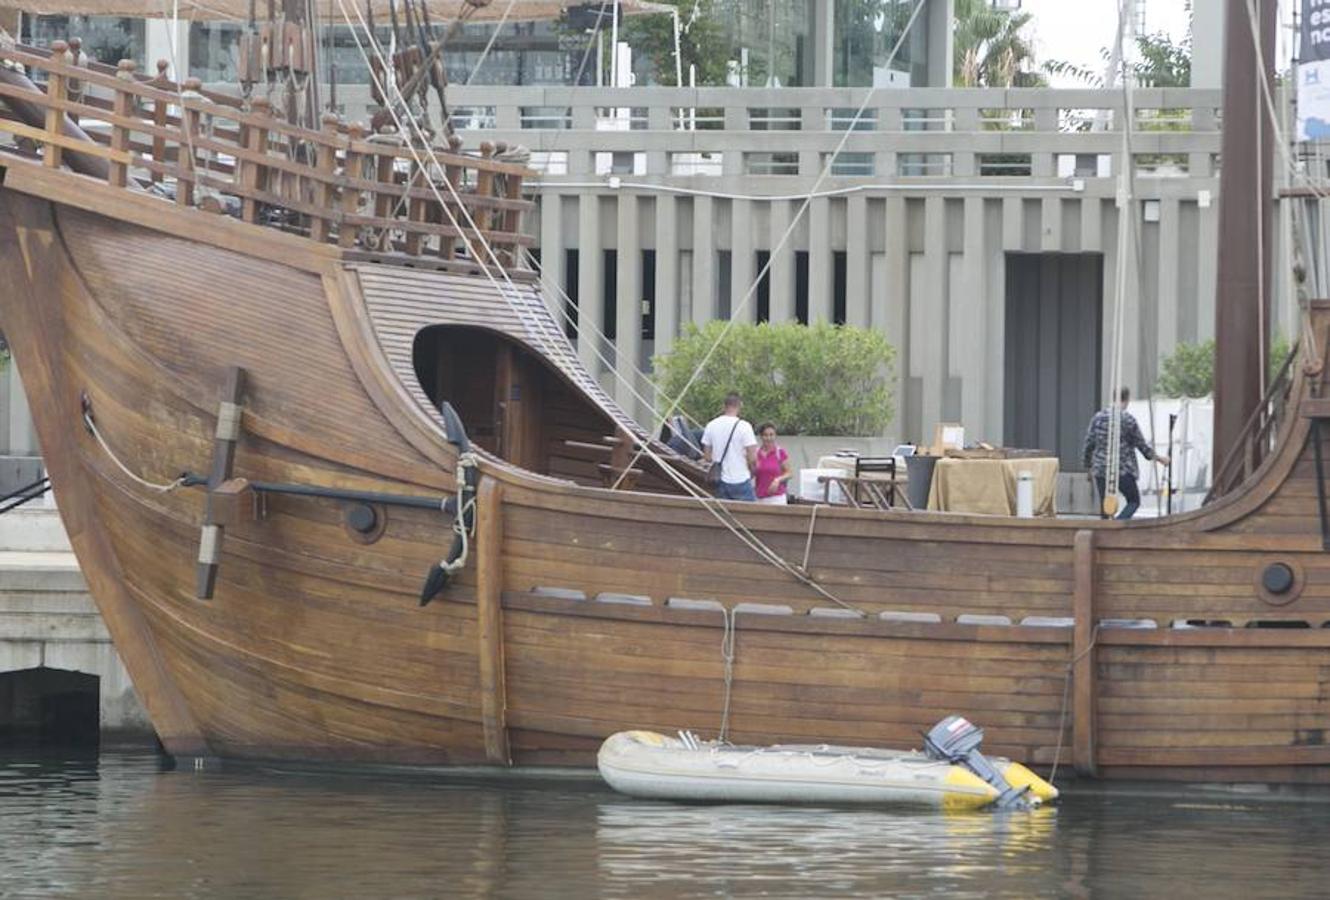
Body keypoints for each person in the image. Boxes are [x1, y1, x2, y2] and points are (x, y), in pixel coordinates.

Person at [1082, 387, 1170, 520]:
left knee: (1105, 507)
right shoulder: (1128, 420)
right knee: (1133, 501)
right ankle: (1118, 525)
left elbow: (1088, 444)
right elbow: (1143, 447)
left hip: (1101, 469)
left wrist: (1088, 466)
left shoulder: (1098, 418)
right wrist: (1161, 459)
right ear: (1127, 399)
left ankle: (1105, 532)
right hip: (1122, 468)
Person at [701, 392, 758, 501]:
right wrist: (752, 472)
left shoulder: (711, 425)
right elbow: (752, 458)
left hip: (719, 480)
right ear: (740, 405)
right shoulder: (745, 426)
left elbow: (707, 457)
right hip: (741, 478)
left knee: (722, 515)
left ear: (724, 406)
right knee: (747, 515)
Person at [753, 422, 794, 505]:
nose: (768, 438)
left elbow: (790, 473)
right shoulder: (756, 453)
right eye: (765, 435)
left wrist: (777, 480)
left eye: (771, 435)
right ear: (761, 436)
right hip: (759, 497)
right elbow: (751, 474)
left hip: (777, 498)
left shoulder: (780, 452)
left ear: (775, 436)